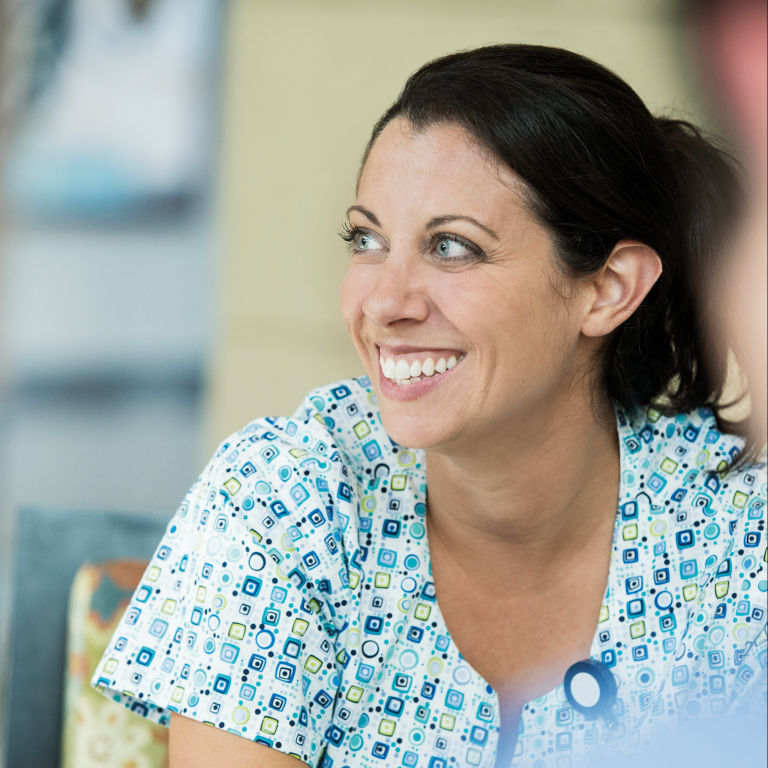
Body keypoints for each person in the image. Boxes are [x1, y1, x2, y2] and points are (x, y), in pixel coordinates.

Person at [90, 45, 766, 768]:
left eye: (451, 247)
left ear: (607, 288)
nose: (384, 302)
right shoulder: (284, 502)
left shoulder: (737, 536)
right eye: (367, 239)